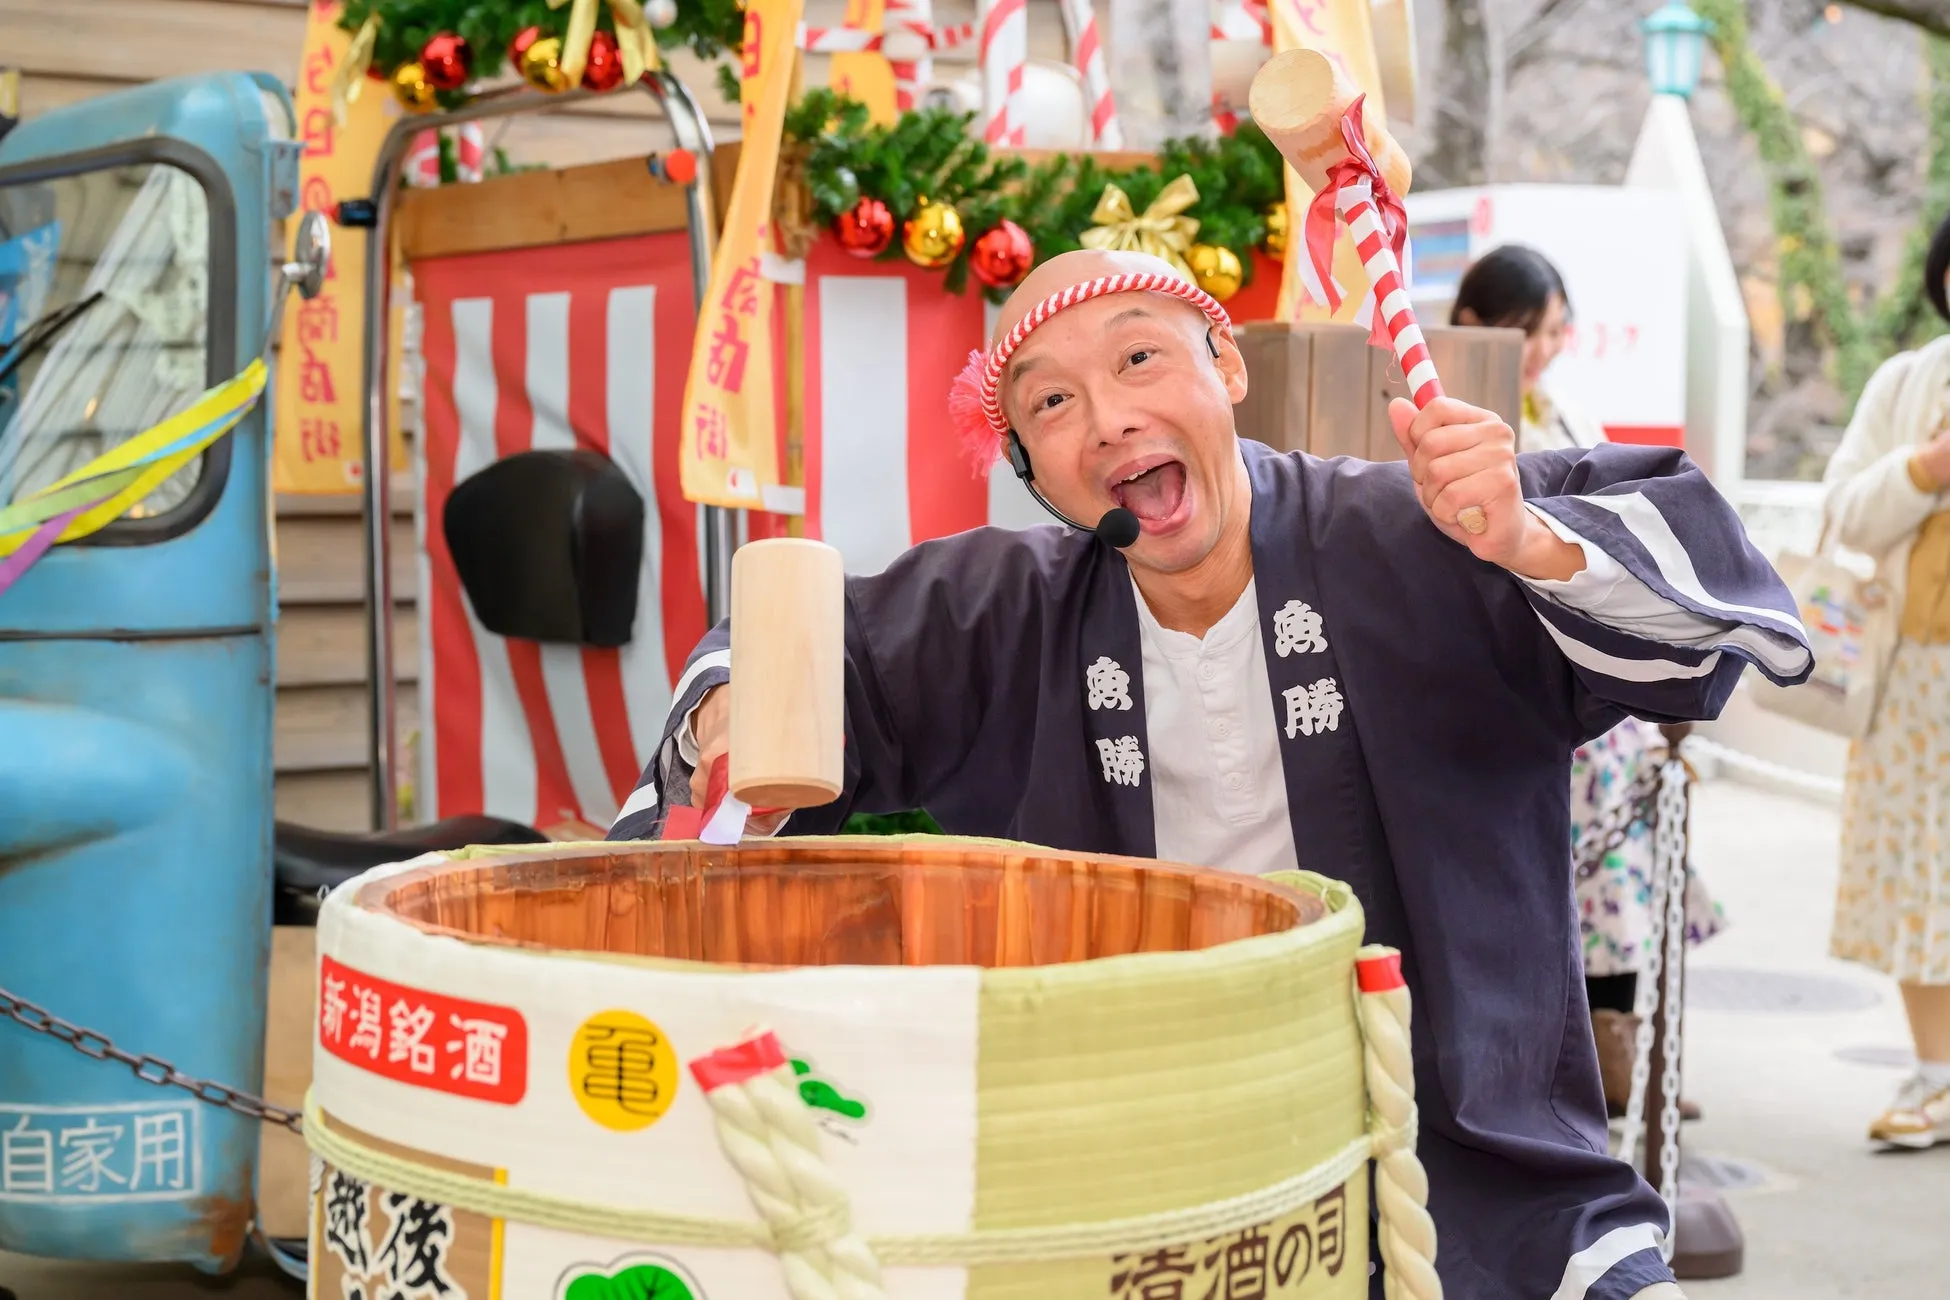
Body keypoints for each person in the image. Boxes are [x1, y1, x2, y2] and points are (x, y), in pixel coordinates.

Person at [613, 249, 1811, 1299]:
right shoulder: (1013, 610)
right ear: (1030, 463)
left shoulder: (1419, 532)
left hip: (1472, 1175)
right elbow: (806, 648)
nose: (1111, 419)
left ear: (1225, 366)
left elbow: (1715, 619)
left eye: (1141, 360)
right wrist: (734, 710)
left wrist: (1525, 541)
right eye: (1054, 403)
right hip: (1137, 1170)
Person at [1451, 245, 1727, 1120]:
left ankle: (1628, 1051)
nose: (1547, 348)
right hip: (1511, 666)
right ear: (1479, 327)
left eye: (1557, 331)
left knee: (1625, 871)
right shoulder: (1453, 403)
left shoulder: (1554, 403)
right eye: (1534, 331)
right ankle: (1593, 1054)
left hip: (1589, 659)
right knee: (1562, 879)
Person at [1823, 209, 1950, 1150]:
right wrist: (1925, 466)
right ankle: (1935, 1076)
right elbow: (1843, 514)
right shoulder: (1909, 384)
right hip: (1914, 680)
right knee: (1919, 876)